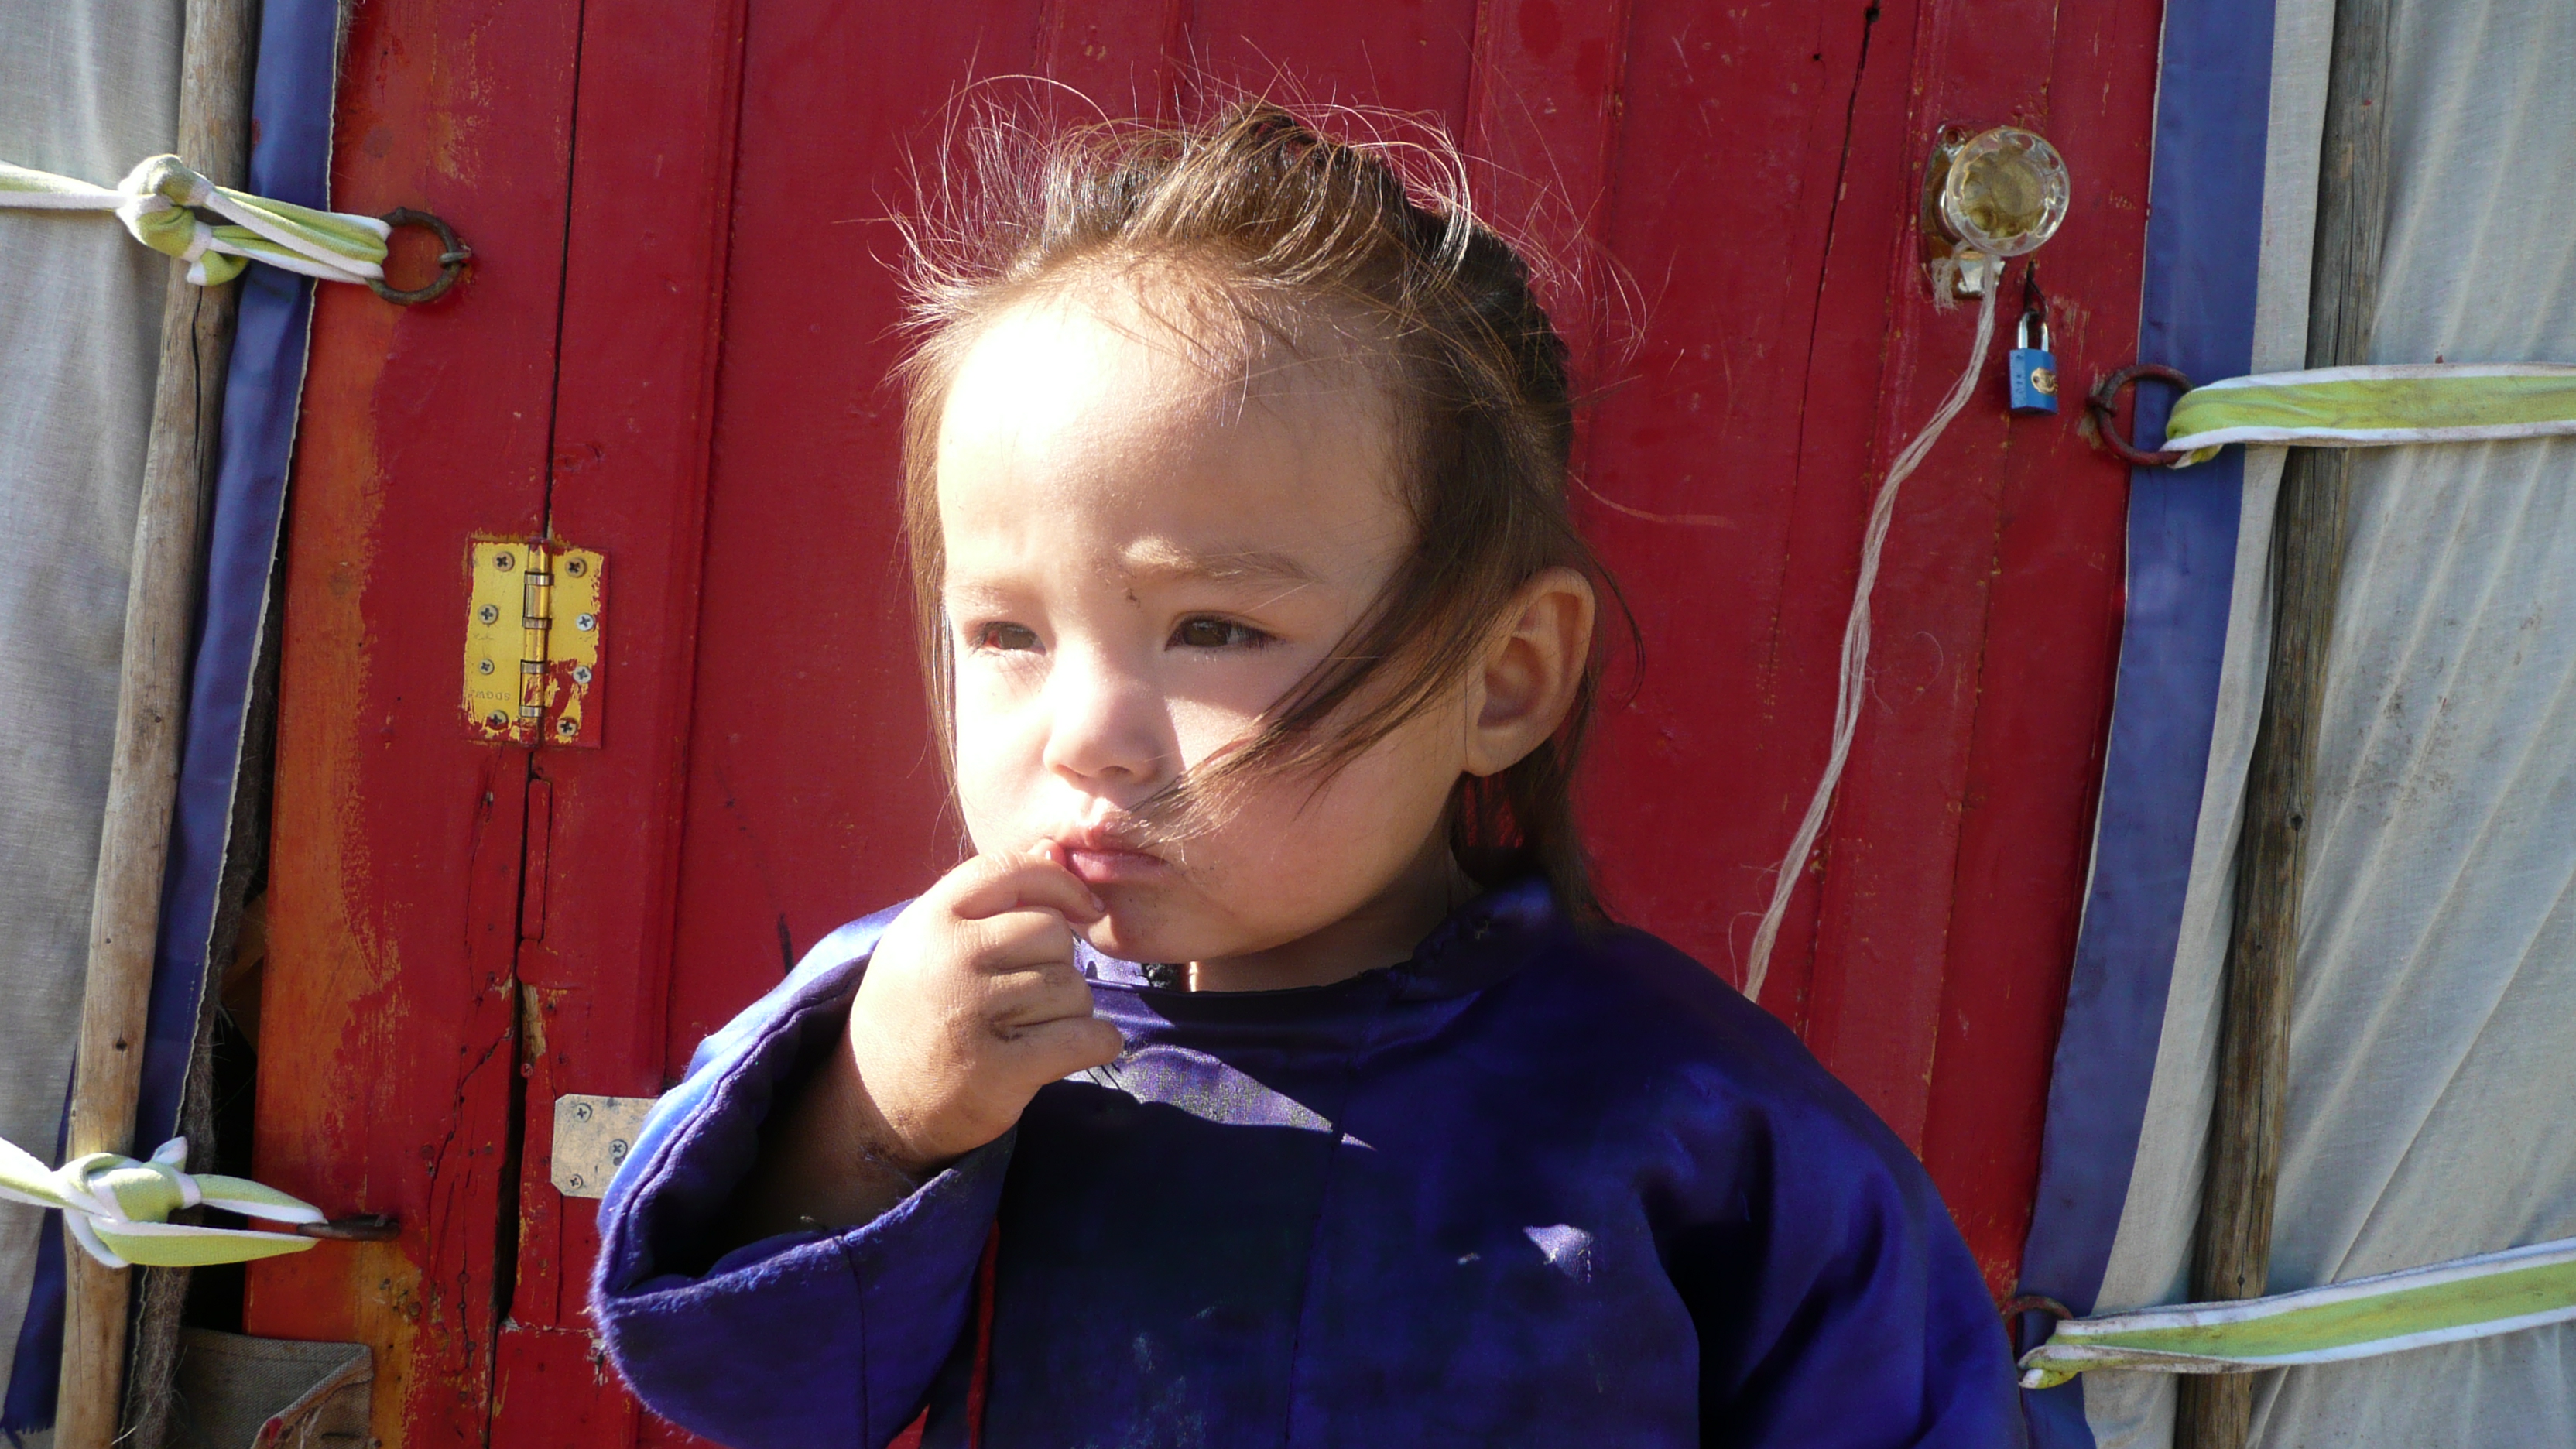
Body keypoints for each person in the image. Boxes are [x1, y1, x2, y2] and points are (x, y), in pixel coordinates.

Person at [591, 103, 2023, 1448]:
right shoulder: (923, 1015)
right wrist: (874, 1128)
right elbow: (741, 1387)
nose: (1085, 732)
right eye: (1008, 632)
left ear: (1506, 675)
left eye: (1213, 629)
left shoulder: (1692, 1115)